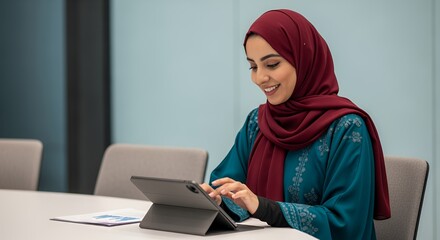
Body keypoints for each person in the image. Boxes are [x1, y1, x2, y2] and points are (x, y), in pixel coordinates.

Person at [200, 9, 391, 239]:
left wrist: (264, 207)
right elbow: (234, 193)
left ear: (304, 60)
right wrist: (218, 199)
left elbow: (345, 223)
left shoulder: (347, 129)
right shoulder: (257, 123)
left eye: (271, 64)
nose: (260, 78)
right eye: (253, 66)